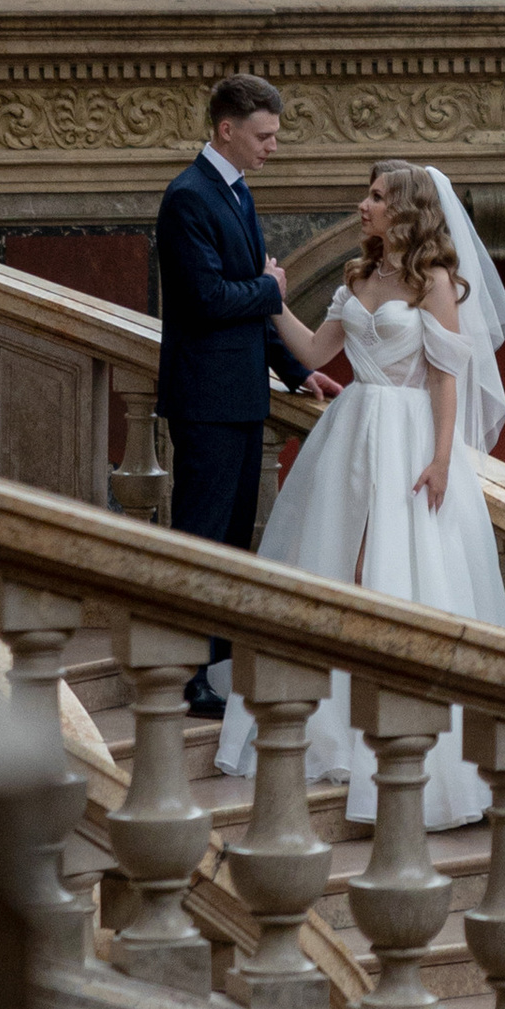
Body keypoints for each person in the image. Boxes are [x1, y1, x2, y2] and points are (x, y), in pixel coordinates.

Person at [215, 159, 505, 829]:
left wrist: (442, 458)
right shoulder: (358, 277)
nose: (363, 205)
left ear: (404, 209)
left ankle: (424, 761)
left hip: (410, 439)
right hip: (350, 436)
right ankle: (330, 727)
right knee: (330, 568)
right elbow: (318, 353)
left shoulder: (436, 282)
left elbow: (446, 380)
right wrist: (273, 297)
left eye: (377, 197)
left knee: (405, 580)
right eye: (368, 194)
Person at [154, 73, 335, 716]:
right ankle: (182, 673)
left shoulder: (237, 193)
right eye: (264, 135)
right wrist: (272, 287)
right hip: (205, 399)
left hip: (240, 396)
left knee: (232, 541)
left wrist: (295, 371)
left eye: (276, 136)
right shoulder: (188, 198)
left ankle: (219, 667)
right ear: (226, 130)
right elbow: (205, 302)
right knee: (200, 539)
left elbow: (251, 311)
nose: (273, 147)